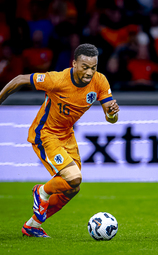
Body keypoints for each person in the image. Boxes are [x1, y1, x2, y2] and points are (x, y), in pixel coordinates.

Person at [0, 43, 120, 238]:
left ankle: (33, 225)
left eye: (93, 67)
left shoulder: (100, 81)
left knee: (73, 188)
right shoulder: (56, 79)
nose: (90, 72)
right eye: (85, 67)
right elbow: (21, 79)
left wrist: (113, 114)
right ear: (74, 63)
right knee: (74, 178)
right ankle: (41, 191)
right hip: (45, 134)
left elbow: (111, 118)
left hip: (67, 136)